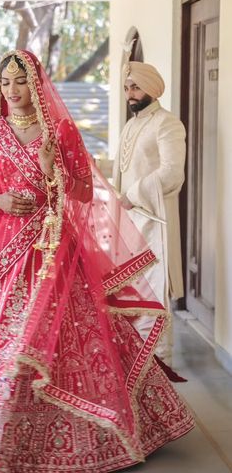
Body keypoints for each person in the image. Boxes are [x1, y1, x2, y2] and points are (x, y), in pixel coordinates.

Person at [0, 50, 194, 473]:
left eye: (21, 81)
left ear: (37, 84)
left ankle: (94, 435)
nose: (13, 90)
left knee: (72, 339)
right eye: (6, 82)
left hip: (56, 255)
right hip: (6, 257)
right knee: (3, 347)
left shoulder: (60, 131)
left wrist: (54, 171)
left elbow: (84, 192)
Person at [112, 61, 186, 364]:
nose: (130, 93)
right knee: (130, 299)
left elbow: (172, 172)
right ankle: (135, 380)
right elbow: (124, 171)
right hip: (128, 225)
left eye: (136, 87)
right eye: (127, 87)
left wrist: (132, 194)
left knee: (153, 301)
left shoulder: (167, 123)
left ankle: (160, 378)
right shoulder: (131, 125)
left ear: (152, 88)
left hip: (155, 224)